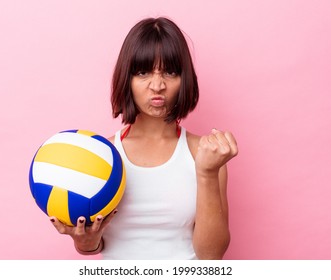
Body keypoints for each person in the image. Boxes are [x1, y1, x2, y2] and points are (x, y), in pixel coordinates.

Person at [50, 17, 238, 260]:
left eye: (170, 72)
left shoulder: (204, 155)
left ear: (184, 79)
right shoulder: (102, 155)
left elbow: (211, 257)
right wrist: (86, 241)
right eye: (143, 72)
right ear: (126, 79)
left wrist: (207, 173)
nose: (157, 85)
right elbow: (92, 245)